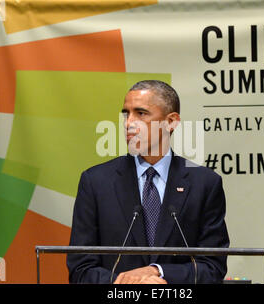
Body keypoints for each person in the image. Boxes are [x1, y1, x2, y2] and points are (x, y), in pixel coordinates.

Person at [67, 80, 229, 284]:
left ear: (171, 121)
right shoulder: (96, 182)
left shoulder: (204, 183)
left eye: (141, 113)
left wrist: (158, 271)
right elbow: (80, 269)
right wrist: (128, 285)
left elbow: (212, 267)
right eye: (126, 114)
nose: (128, 123)